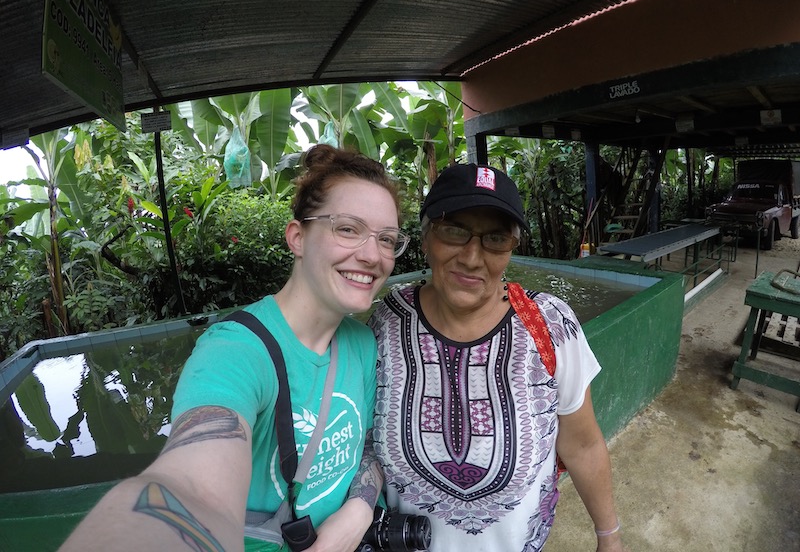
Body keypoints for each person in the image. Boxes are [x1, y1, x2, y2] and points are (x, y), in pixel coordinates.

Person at [59, 144, 409, 552]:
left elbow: (366, 444)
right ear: (297, 237)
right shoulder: (235, 351)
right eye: (348, 229)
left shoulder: (362, 343)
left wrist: (358, 513)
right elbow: (192, 487)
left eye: (386, 239)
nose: (371, 255)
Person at [368, 163, 626, 552]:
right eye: (454, 231)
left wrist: (610, 538)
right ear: (425, 238)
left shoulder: (550, 324)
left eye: (495, 239)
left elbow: (583, 446)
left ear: (511, 247)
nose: (472, 257)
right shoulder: (384, 323)